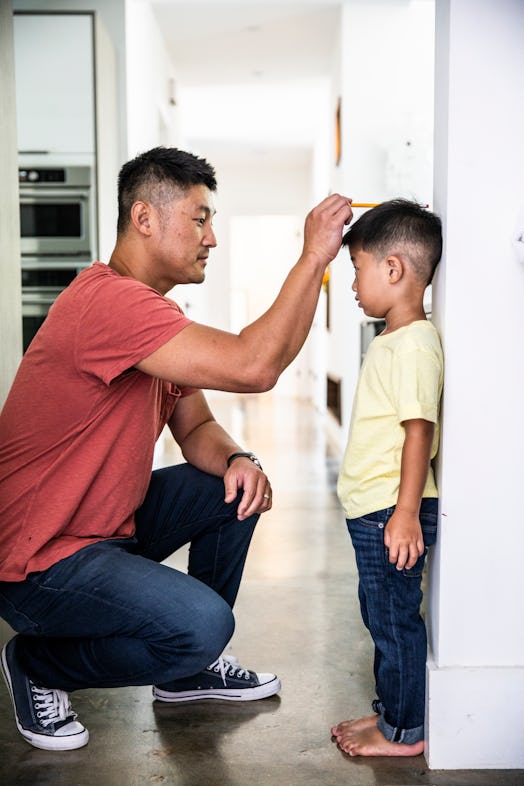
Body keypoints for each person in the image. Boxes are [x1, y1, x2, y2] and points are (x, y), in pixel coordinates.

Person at [0, 146, 352, 751]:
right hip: (40, 562)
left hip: (107, 532)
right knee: (203, 625)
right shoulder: (107, 304)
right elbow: (254, 364)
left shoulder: (155, 315)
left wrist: (241, 459)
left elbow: (195, 431)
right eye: (199, 218)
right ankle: (38, 664)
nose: (211, 237)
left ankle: (188, 672)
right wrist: (314, 253)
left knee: (228, 485)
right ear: (144, 218)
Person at [331, 199, 443, 757]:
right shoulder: (394, 339)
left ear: (393, 269)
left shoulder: (416, 345)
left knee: (393, 620)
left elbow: (418, 431)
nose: (351, 283)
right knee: (379, 614)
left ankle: (403, 732)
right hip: (374, 508)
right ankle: (390, 713)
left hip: (388, 511)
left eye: (357, 268)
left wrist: (403, 513)